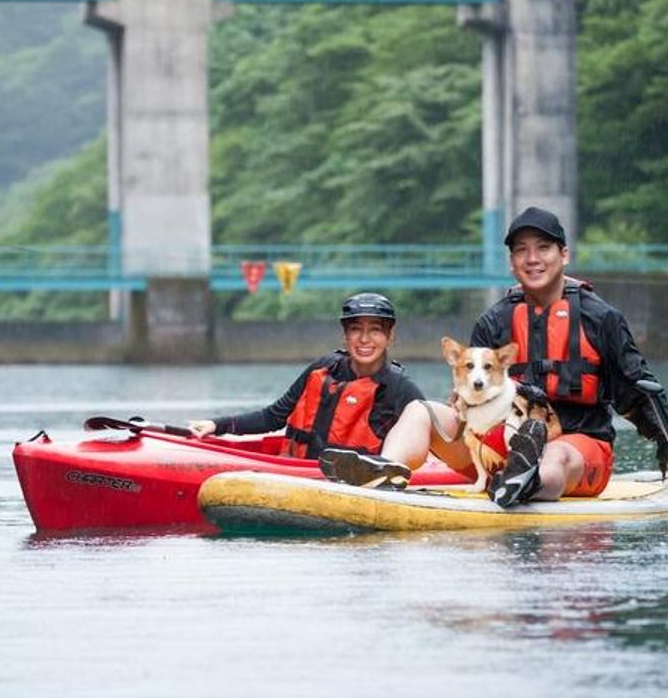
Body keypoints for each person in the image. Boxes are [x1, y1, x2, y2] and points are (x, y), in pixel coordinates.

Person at [322, 206, 668, 508]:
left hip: (579, 449)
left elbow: (636, 392)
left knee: (554, 457)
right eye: (521, 251)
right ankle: (385, 471)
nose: (532, 259)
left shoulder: (601, 319)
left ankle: (524, 483)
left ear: (564, 255)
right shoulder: (493, 322)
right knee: (419, 410)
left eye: (543, 248)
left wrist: (664, 439)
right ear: (512, 262)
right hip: (497, 447)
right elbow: (468, 400)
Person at [188, 292, 428, 487]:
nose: (364, 339)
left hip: (354, 484)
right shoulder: (322, 369)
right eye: (356, 329)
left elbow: (425, 445)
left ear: (390, 336)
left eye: (375, 329)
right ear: (345, 335)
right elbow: (273, 417)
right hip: (296, 473)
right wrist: (216, 425)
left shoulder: (400, 389)